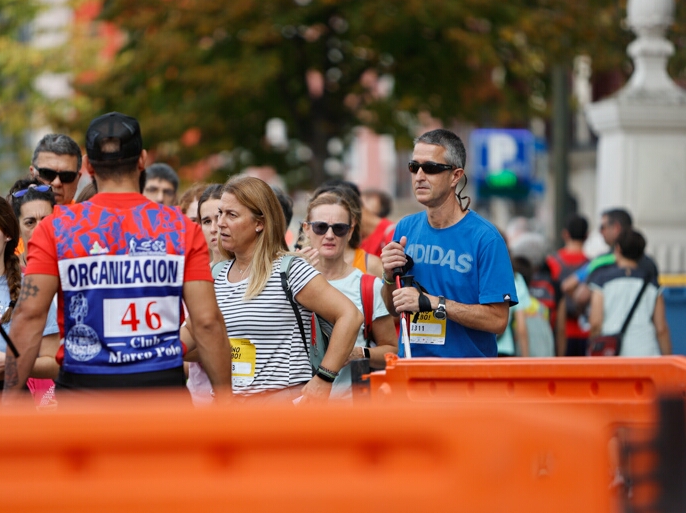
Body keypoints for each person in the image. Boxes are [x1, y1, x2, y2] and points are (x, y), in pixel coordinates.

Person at [2, 112, 231, 402]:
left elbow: (29, 316)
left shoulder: (56, 228)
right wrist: (226, 402)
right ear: (142, 159)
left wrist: (7, 403)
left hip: (84, 392)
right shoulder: (181, 229)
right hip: (160, 393)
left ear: (87, 166)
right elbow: (207, 322)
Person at [194, 175, 361, 402]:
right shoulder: (216, 273)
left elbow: (350, 315)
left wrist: (324, 378)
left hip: (283, 413)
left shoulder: (289, 270)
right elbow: (196, 338)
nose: (220, 223)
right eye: (219, 213)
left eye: (231, 215)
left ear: (259, 223)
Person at [381, 129, 517, 358]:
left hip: (465, 380)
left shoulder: (486, 238)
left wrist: (435, 303)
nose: (420, 176)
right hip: (413, 372)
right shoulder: (405, 228)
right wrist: (387, 276)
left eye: (431, 168)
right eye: (414, 167)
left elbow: (498, 320)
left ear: (456, 176)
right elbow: (394, 309)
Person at [0, 193, 60, 399]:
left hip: (11, 402)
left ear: (7, 234)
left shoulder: (32, 287)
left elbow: (53, 364)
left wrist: (10, 363)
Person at [300, 190, 397, 397]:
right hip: (295, 408)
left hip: (350, 410)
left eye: (339, 228)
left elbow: (392, 352)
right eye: (320, 227)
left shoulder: (368, 287)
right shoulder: (288, 281)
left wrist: (359, 353)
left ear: (351, 231)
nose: (329, 235)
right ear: (306, 229)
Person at [588, 229, 671, 356]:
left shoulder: (602, 280)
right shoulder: (651, 283)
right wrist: (668, 360)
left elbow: (595, 323)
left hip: (612, 353)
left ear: (618, 248)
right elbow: (661, 328)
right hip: (646, 353)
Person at [546, 214, 591, 356]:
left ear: (565, 234)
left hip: (561, 332)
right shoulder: (592, 265)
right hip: (586, 332)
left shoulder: (552, 262)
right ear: (587, 236)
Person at [8, 179, 57, 267]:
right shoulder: (7, 271)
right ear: (18, 229)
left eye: (46, 220)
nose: (39, 229)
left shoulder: (69, 264)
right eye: (30, 222)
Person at [29, 134, 82, 205]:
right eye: (47, 174)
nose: (57, 183)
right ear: (32, 173)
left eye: (66, 176)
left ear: (78, 179)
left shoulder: (91, 215)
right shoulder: (12, 214)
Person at [197, 184, 224, 264]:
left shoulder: (255, 273)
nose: (213, 229)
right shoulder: (198, 274)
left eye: (219, 218)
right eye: (207, 221)